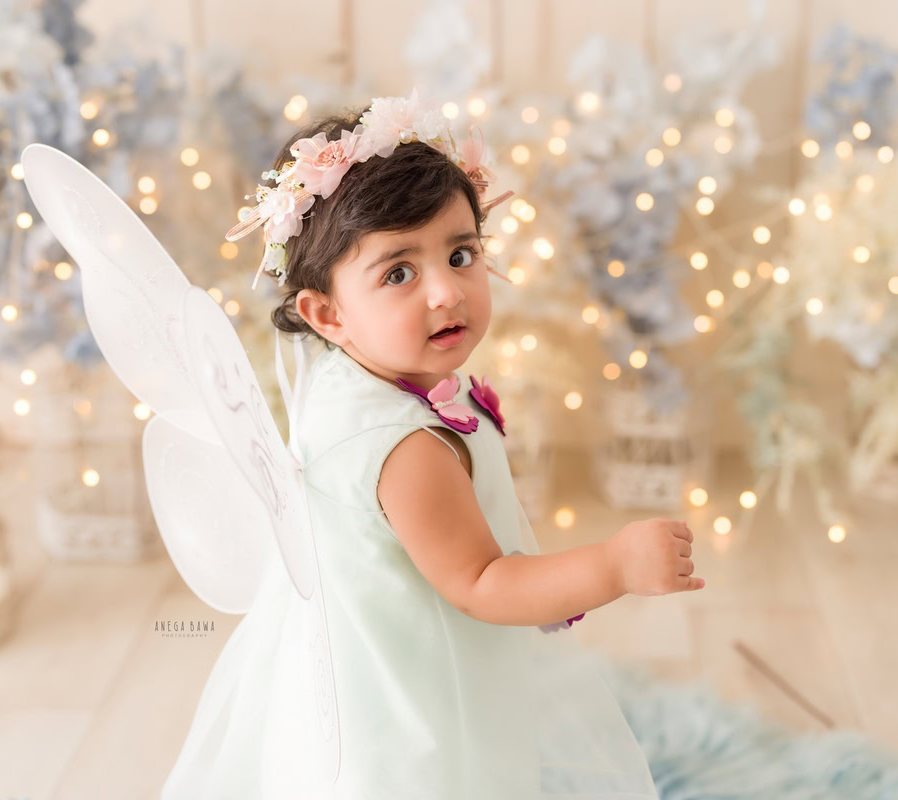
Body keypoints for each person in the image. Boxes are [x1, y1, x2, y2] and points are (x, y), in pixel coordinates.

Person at [161, 88, 704, 798]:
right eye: (398, 273)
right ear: (327, 314)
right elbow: (482, 582)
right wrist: (613, 564)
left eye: (460, 253)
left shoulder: (348, 380)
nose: (446, 292)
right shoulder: (404, 449)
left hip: (351, 672)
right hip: (407, 715)